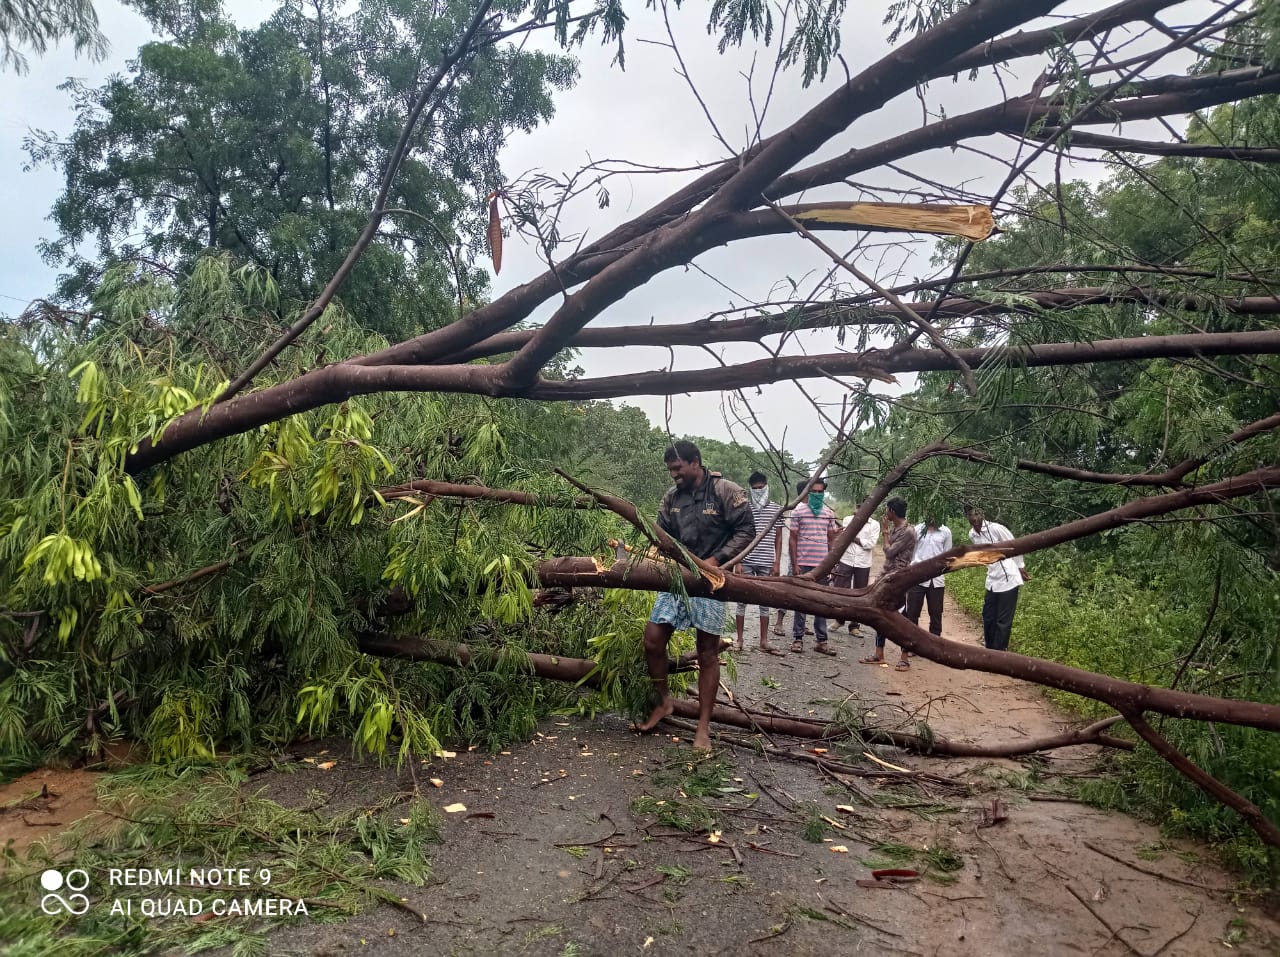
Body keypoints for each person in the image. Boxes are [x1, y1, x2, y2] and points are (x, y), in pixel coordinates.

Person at [636, 441, 755, 750]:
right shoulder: (671, 498)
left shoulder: (726, 491)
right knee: (652, 640)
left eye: (678, 469)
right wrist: (656, 554)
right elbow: (661, 534)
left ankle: (703, 727)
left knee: (707, 652)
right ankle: (664, 703)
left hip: (712, 581)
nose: (674, 475)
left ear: (695, 463)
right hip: (678, 578)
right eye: (670, 470)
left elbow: (746, 532)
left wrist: (714, 562)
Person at [859, 498, 916, 671]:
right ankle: (878, 653)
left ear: (892, 511)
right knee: (880, 614)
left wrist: (884, 532)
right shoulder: (898, 528)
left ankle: (904, 657)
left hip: (899, 579)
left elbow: (889, 551)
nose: (886, 514)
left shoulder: (908, 532)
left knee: (902, 618)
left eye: (887, 510)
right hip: (887, 576)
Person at [964, 506, 1029, 652]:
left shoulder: (996, 529)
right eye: (970, 515)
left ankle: (1000, 652)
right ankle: (989, 649)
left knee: (1003, 620)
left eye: (977, 514)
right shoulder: (972, 534)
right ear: (966, 516)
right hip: (992, 579)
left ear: (982, 513)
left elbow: (1014, 546)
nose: (974, 518)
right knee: (988, 616)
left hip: (1008, 578)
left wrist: (1020, 567)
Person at [733, 472, 784, 655]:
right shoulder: (744, 509)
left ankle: (764, 640)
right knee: (741, 600)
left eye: (761, 487)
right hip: (747, 559)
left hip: (766, 561)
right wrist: (738, 561)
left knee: (765, 600)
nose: (758, 491)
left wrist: (776, 562)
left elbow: (779, 538)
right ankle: (739, 639)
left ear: (767, 486)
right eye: (754, 488)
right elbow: (737, 536)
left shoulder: (776, 510)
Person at [789, 477, 839, 655]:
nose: (817, 494)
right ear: (808, 493)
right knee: (800, 602)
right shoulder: (798, 512)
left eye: (820, 492)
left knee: (821, 603)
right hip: (803, 564)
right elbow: (793, 539)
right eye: (814, 492)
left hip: (822, 566)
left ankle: (821, 641)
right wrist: (795, 564)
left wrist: (832, 564)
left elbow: (832, 539)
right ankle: (798, 638)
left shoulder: (828, 513)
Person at [830, 511, 880, 635]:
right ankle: (839, 619)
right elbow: (844, 537)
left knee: (859, 594)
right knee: (841, 591)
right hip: (846, 559)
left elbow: (870, 544)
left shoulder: (874, 524)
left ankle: (854, 625)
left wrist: (853, 538)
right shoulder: (848, 519)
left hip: (863, 563)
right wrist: (854, 538)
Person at [904, 517, 952, 639]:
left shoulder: (945, 532)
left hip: (936, 579)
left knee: (936, 613)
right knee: (912, 613)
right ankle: (911, 644)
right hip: (917, 577)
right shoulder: (917, 530)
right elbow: (911, 552)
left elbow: (947, 555)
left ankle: (934, 645)